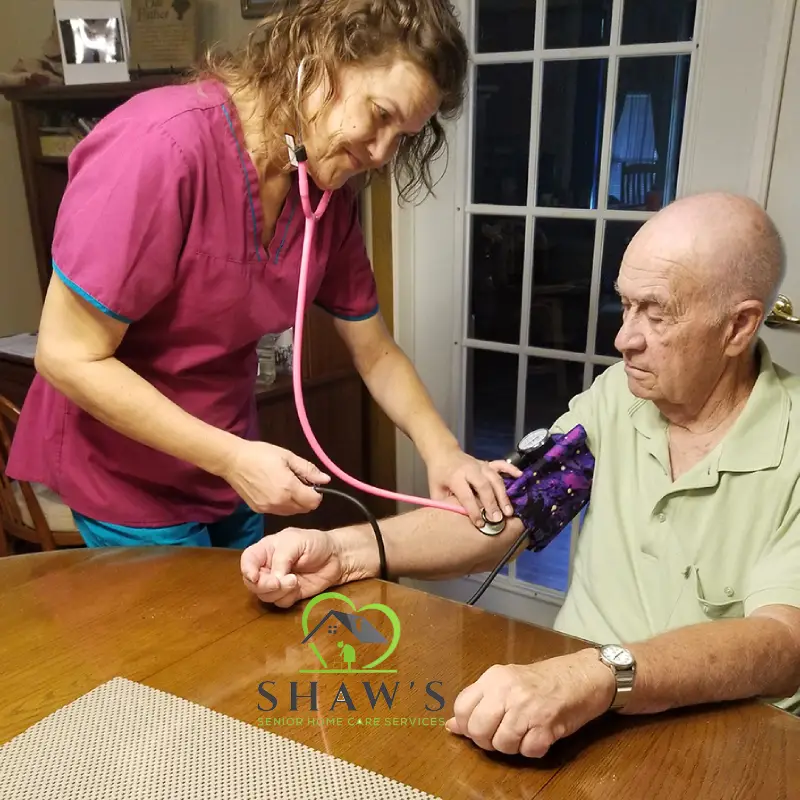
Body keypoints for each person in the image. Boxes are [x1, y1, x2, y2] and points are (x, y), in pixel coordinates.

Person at [240, 192, 800, 757]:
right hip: (586, 714)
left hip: (732, 739)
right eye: (625, 306)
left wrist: (598, 674)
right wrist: (345, 550)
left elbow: (783, 642)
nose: (624, 339)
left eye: (655, 315)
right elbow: (509, 513)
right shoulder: (616, 398)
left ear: (739, 327)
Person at [6, 0, 515, 549]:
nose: (381, 154)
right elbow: (66, 355)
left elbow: (376, 353)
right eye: (381, 115)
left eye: (404, 136)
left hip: (232, 463)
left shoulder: (322, 193)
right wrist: (231, 457)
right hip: (129, 471)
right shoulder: (160, 148)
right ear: (319, 58)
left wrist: (442, 450)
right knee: (182, 632)